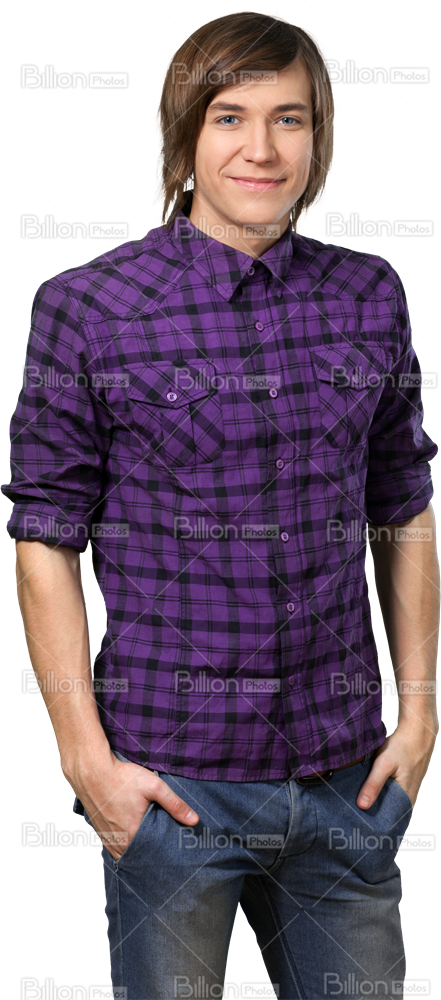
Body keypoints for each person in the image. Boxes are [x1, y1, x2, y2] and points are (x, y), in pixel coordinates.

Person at [3, 9, 439, 1000]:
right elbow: (45, 535)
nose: (262, 149)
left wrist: (417, 720)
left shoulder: (369, 294)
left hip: (347, 781)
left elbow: (404, 506)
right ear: (183, 136)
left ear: (319, 138)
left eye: (290, 119)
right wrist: (83, 759)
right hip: (172, 788)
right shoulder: (89, 306)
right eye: (230, 117)